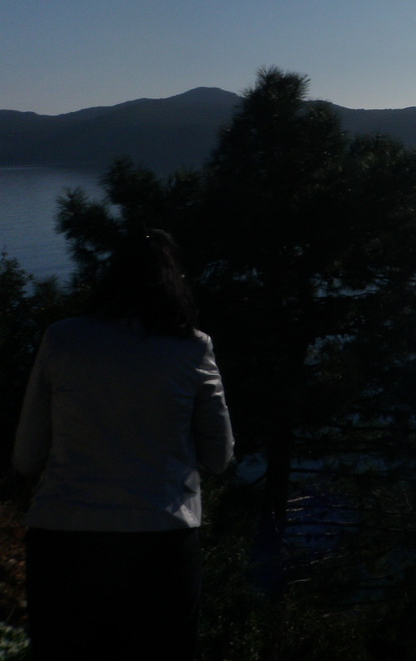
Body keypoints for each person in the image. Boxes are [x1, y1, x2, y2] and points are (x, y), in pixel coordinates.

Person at [11, 228, 233, 661]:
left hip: (64, 539)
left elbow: (26, 455)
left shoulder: (63, 339)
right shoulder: (193, 348)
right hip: (161, 542)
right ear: (176, 281)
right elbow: (219, 456)